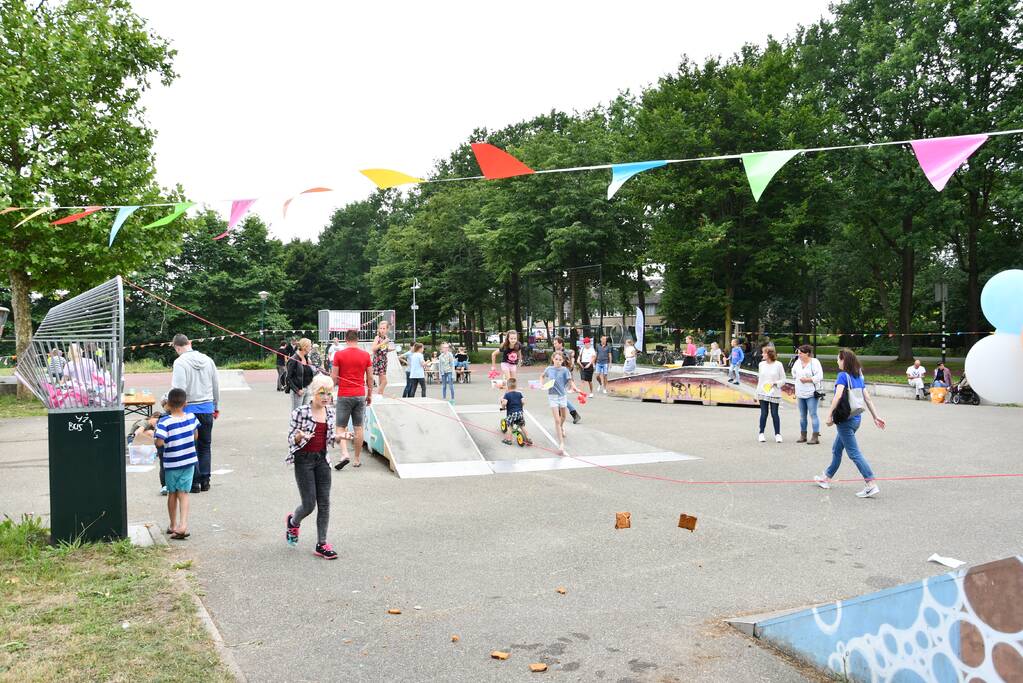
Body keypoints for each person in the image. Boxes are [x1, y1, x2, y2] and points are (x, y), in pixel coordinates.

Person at [286, 374, 350, 560]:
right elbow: (291, 439)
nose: (325, 397)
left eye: (329, 393)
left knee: (324, 503)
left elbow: (329, 438)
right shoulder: (300, 412)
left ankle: (322, 544)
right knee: (308, 505)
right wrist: (300, 436)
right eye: (322, 393)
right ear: (314, 392)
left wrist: (341, 436)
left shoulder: (330, 412)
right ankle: (293, 521)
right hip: (303, 460)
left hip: (322, 460)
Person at [815, 348, 886, 498]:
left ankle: (871, 484)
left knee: (854, 453)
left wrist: (829, 415)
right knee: (836, 449)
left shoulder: (842, 376)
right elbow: (867, 398)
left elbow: (838, 396)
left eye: (838, 358)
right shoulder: (858, 376)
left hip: (845, 420)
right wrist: (875, 416)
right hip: (856, 418)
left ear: (844, 360)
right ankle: (826, 477)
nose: (837, 361)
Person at [170, 334, 219, 493]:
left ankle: (194, 482)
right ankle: (205, 480)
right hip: (207, 407)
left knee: (191, 446)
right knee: (205, 445)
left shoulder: (180, 362)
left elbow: (179, 389)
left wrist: (171, 406)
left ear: (177, 347)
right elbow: (215, 385)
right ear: (189, 343)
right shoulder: (208, 360)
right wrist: (215, 405)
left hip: (188, 410)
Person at [154, 388, 198, 540]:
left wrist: (157, 440)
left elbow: (159, 442)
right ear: (185, 403)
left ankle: (173, 525)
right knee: (184, 493)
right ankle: (183, 525)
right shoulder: (191, 417)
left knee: (172, 493)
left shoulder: (164, 422)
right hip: (189, 461)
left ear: (167, 404)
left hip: (172, 463)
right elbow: (195, 436)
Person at [331, 329, 373, 468]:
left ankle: (344, 453)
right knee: (358, 427)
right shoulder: (365, 355)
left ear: (345, 339)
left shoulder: (339, 354)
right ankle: (357, 459)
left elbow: (334, 377)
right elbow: (370, 377)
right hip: (360, 394)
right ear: (357, 339)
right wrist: (369, 394)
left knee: (340, 427)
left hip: (344, 394)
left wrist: (329, 393)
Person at [544, 351, 581, 455]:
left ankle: (561, 427)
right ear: (553, 359)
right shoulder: (549, 369)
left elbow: (570, 381)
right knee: (557, 420)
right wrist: (542, 384)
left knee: (563, 417)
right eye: (556, 359)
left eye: (560, 360)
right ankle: (561, 443)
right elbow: (542, 376)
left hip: (562, 396)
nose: (558, 361)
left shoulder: (565, 370)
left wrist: (575, 388)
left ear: (562, 361)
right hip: (552, 396)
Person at [791, 344, 824, 444]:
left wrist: (808, 379)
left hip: (811, 393)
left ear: (807, 353)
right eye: (798, 353)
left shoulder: (815, 362)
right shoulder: (797, 362)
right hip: (800, 392)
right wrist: (797, 378)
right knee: (802, 415)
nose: (799, 355)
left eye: (801, 353)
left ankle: (815, 437)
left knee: (813, 414)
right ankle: (803, 435)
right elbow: (793, 373)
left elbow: (820, 376)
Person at [130, 409, 165, 494]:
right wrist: (152, 440)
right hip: (132, 439)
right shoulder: (145, 422)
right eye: (156, 421)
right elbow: (137, 433)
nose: (156, 423)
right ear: (152, 417)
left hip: (140, 442)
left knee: (153, 434)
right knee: (150, 433)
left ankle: (147, 452)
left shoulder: (152, 426)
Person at [756, 346, 786, 443]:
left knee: (774, 413)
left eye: (764, 353)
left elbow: (783, 379)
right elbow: (760, 380)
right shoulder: (761, 364)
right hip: (763, 391)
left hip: (774, 392)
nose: (762, 354)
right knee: (764, 413)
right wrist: (756, 393)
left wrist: (775, 383)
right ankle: (761, 433)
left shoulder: (778, 364)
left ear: (769, 354)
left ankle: (778, 434)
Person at [551, 337, 582, 423]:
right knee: (559, 396)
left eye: (556, 343)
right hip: (558, 378)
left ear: (560, 344)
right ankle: (571, 414)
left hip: (563, 379)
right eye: (554, 343)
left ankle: (573, 414)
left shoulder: (564, 354)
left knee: (560, 396)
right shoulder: (557, 353)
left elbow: (569, 366)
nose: (554, 345)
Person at [500, 378, 532, 446]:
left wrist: (503, 407)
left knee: (510, 427)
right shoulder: (519, 393)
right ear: (516, 386)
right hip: (520, 413)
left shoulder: (507, 395)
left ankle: (509, 440)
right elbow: (523, 402)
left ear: (508, 386)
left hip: (512, 413)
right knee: (521, 426)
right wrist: (520, 406)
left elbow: (504, 403)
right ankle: (528, 439)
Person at [286, 338, 315, 410]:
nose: (311, 348)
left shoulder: (306, 358)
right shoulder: (293, 359)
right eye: (310, 346)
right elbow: (288, 378)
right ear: (305, 347)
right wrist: (297, 390)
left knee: (305, 413)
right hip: (298, 391)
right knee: (297, 413)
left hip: (307, 389)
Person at [371, 321, 391, 395]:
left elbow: (383, 349)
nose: (382, 330)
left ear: (387, 329)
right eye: (381, 328)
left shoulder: (386, 338)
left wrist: (390, 349)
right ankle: (378, 395)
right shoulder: (377, 338)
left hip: (384, 360)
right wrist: (383, 342)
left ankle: (380, 395)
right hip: (378, 360)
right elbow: (373, 348)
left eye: (384, 328)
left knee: (381, 380)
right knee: (384, 381)